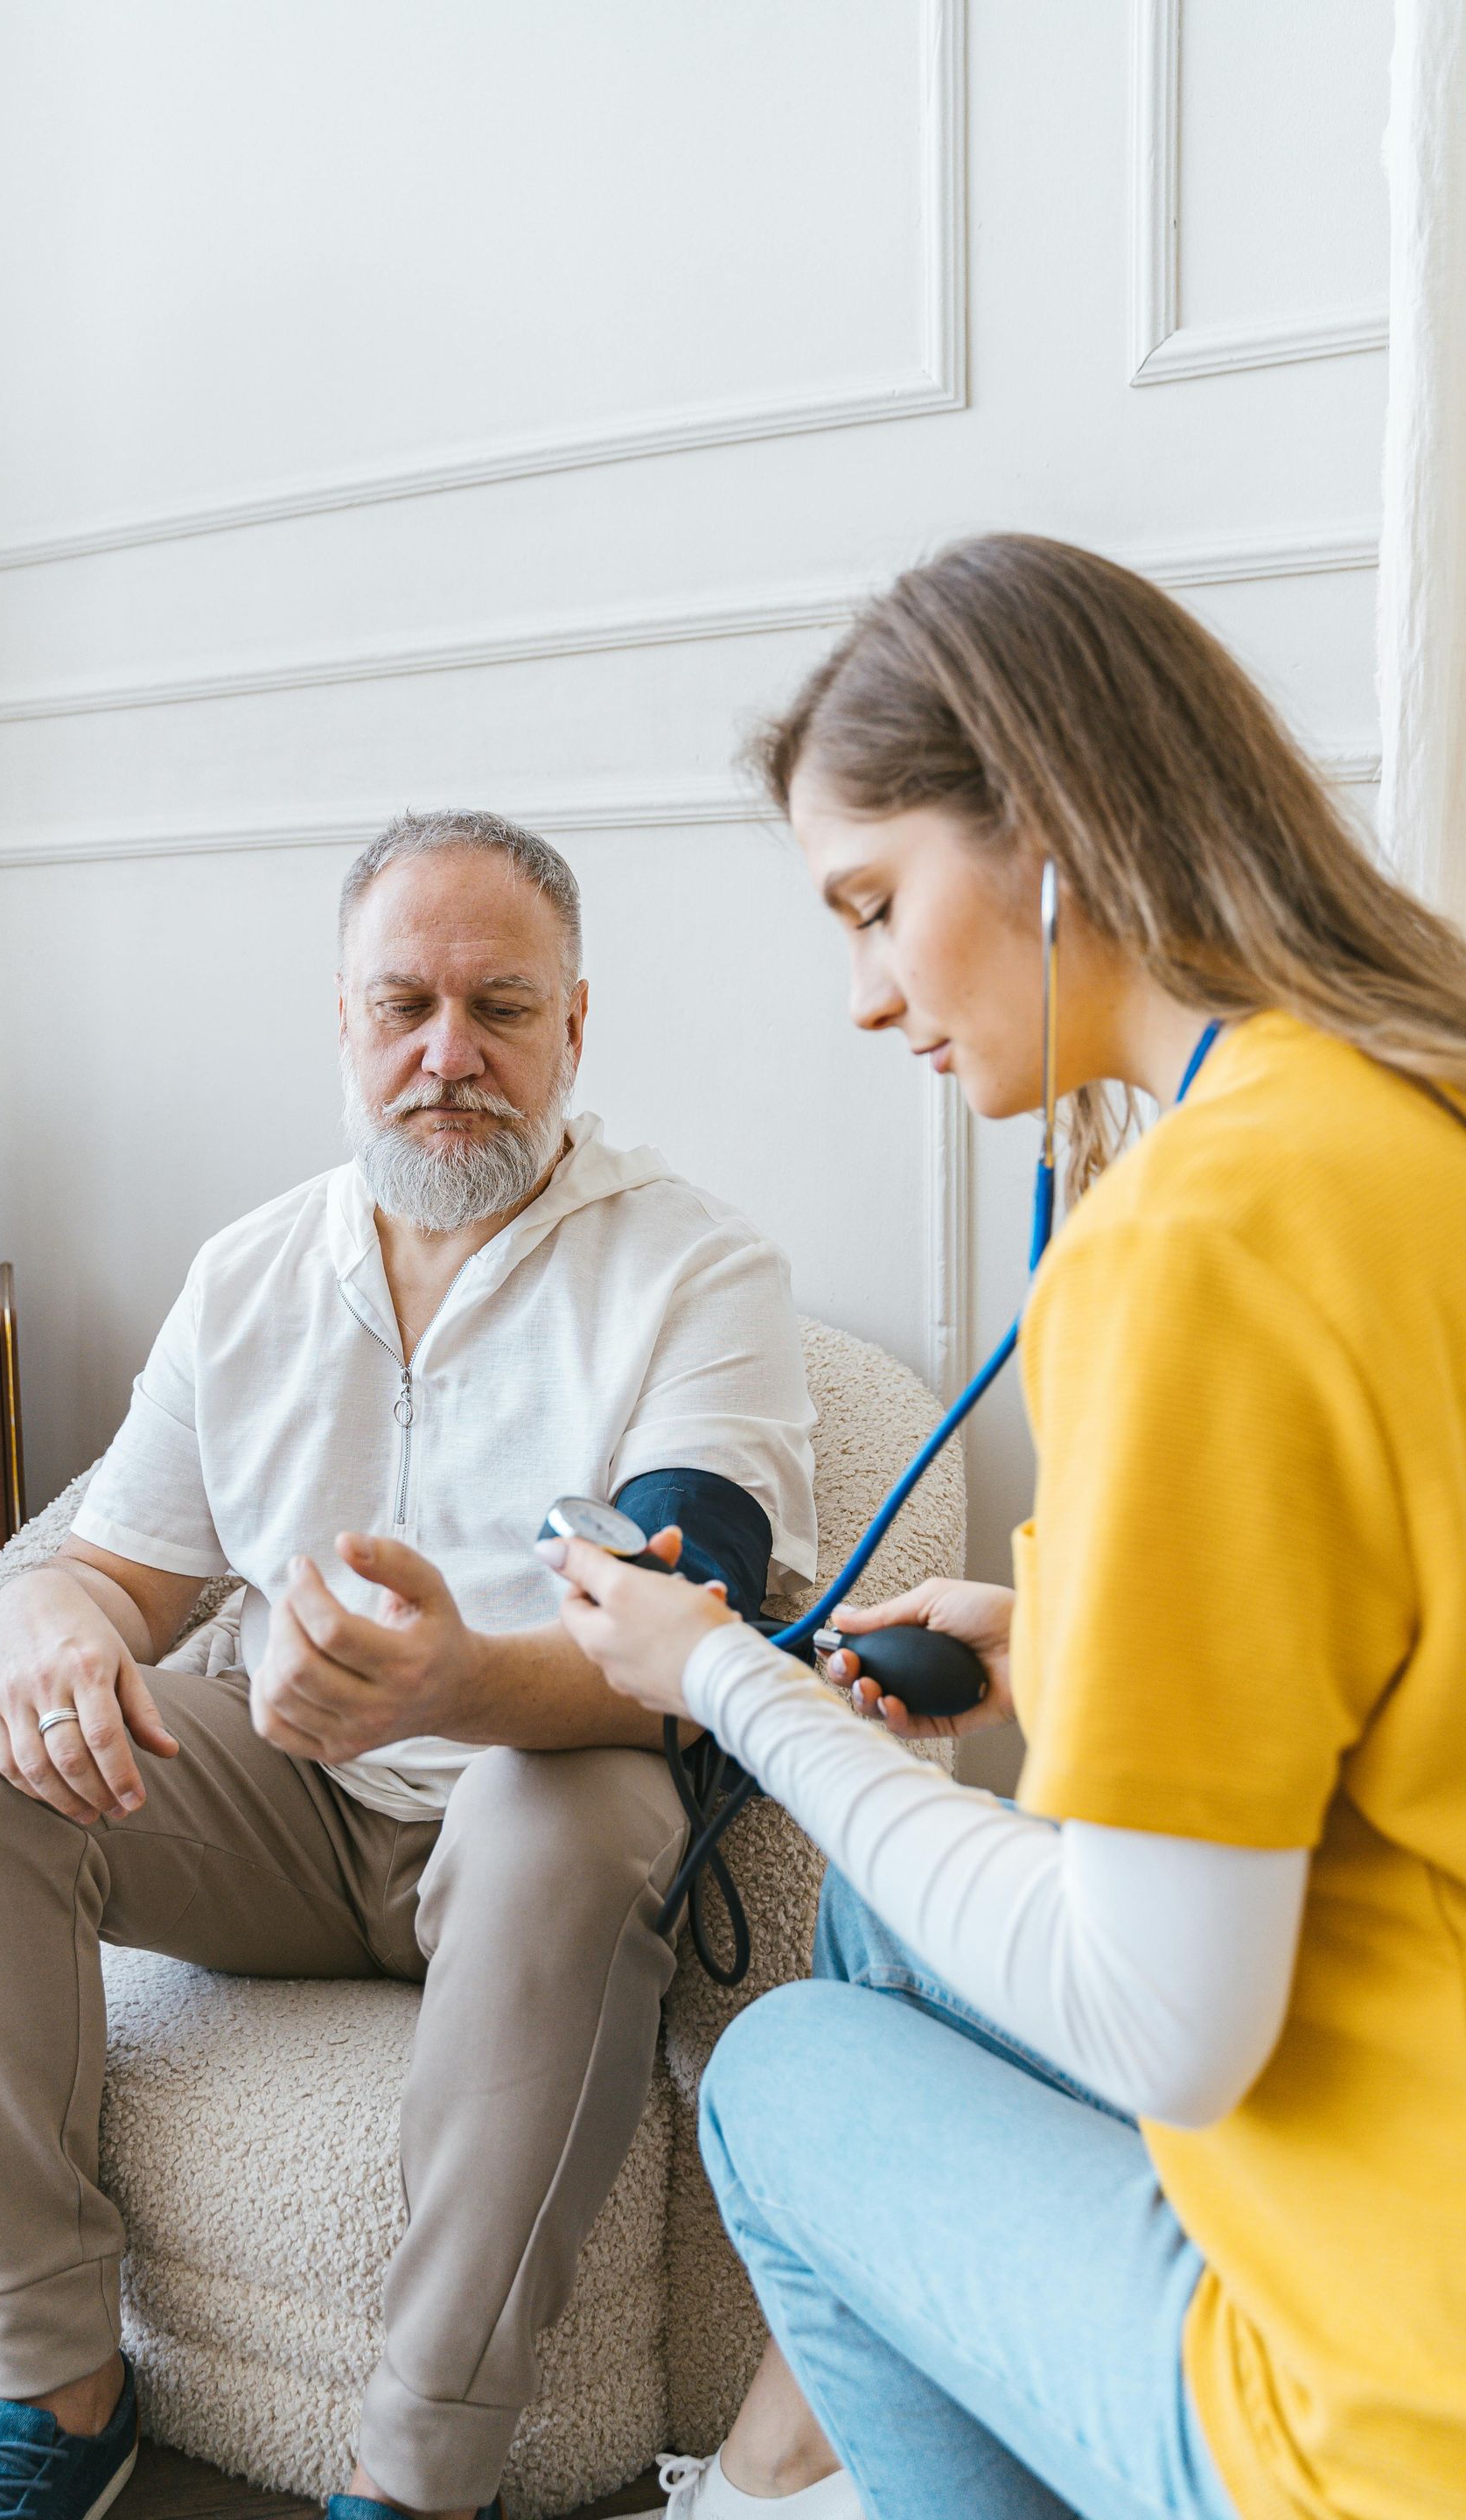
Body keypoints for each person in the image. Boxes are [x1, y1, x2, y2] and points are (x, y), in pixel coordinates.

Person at [541, 537, 1466, 2520]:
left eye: (875, 908)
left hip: (1396, 2406)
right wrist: (1062, 1644)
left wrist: (726, 1684)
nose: (867, 999)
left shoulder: (1200, 1233)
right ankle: (807, 2478)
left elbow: (1169, 2027)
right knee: (888, 1915)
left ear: (1051, 826)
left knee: (785, 2076)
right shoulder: (1400, 1112)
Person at [0, 808, 817, 2520]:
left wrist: (451, 1687)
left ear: (575, 1030)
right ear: (343, 1027)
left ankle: (416, 2475)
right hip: (290, 1812)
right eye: (403, 1007)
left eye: (501, 1009)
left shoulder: (698, 1269)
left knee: (570, 1825)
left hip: (531, 1805)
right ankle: (59, 2386)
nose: (447, 1055)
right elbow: (112, 1568)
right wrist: (51, 1623)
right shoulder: (249, 1274)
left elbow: (708, 1651)